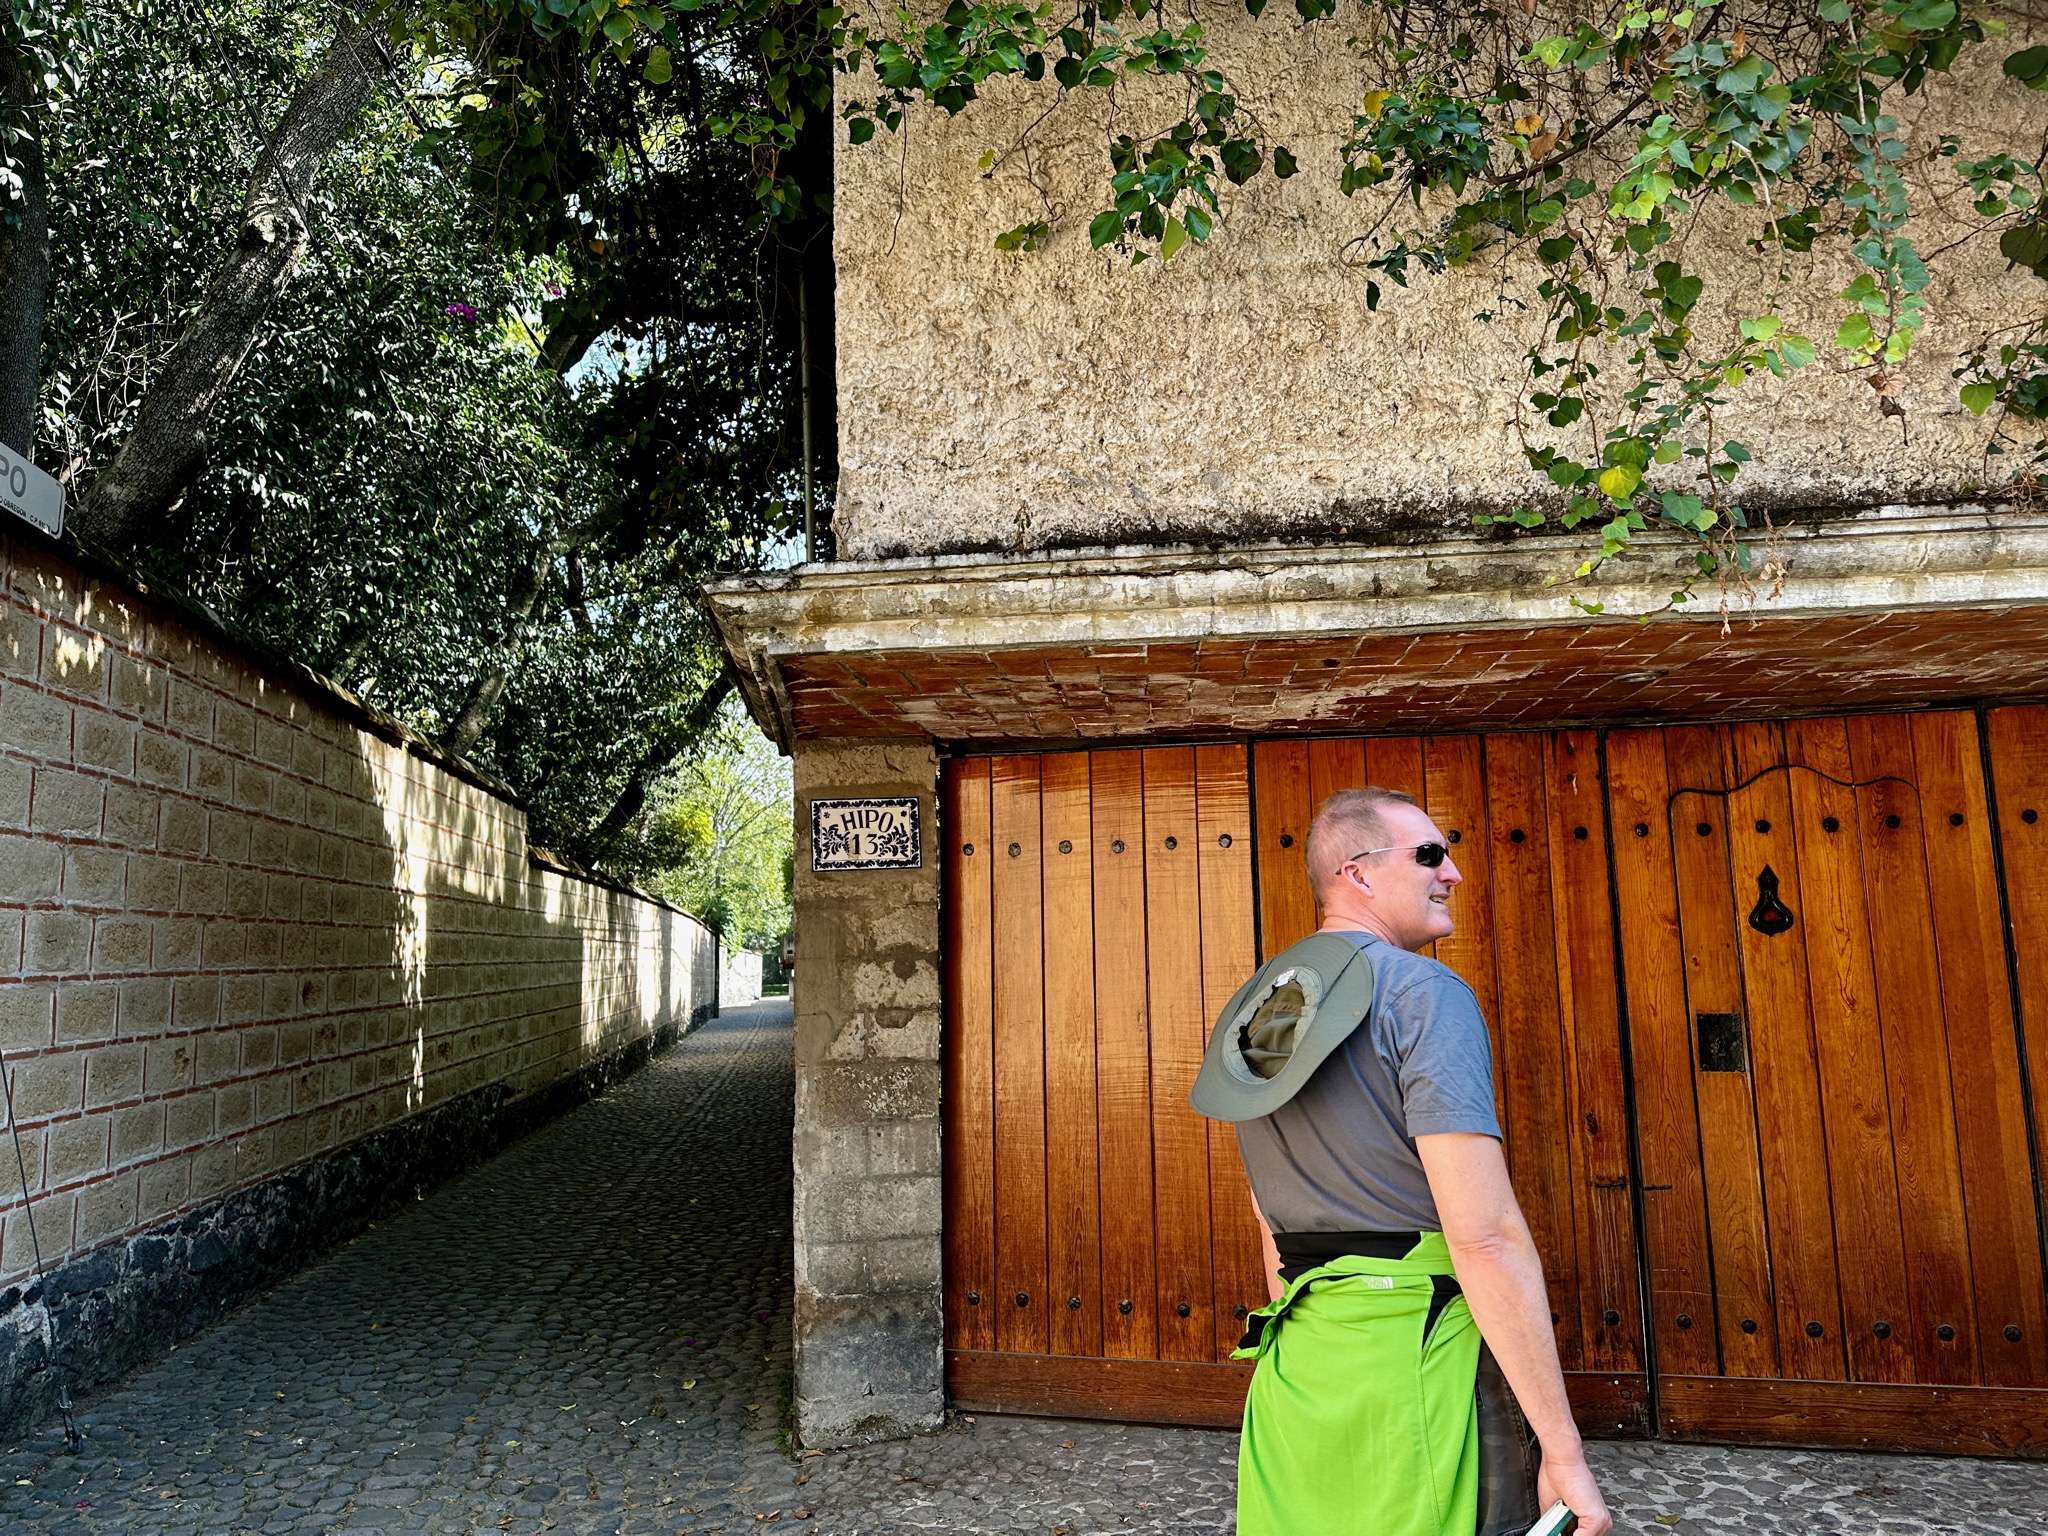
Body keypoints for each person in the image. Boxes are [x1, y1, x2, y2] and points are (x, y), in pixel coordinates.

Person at [1195, 786, 1612, 1536]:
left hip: (1302, 1363)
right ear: (1356, 873)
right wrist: (1565, 1451)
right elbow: (1484, 1238)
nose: (1451, 871)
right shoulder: (1425, 993)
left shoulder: (1259, 1009)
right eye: (1429, 854)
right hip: (1422, 1361)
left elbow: (1268, 1214)